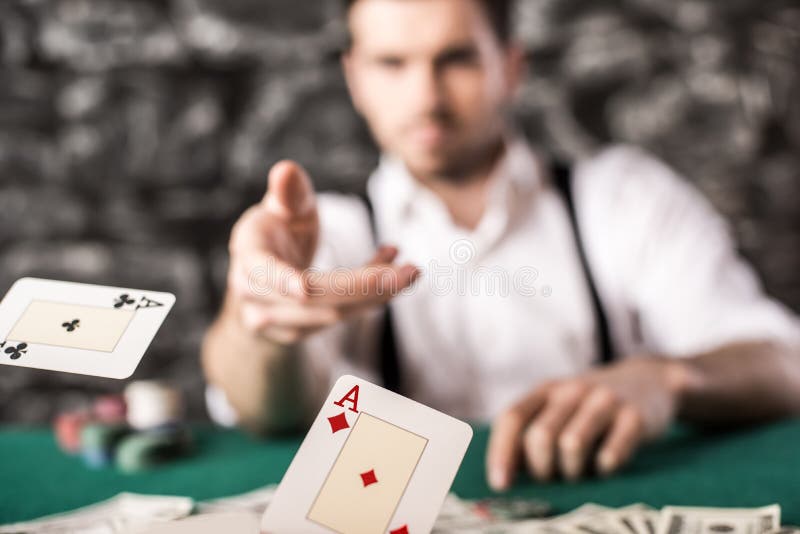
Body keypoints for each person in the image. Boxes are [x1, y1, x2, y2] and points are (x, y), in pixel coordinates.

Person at [202, 0, 800, 489]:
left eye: (455, 59)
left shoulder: (625, 200)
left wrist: (669, 378)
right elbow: (266, 408)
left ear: (511, 67)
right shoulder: (332, 232)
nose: (426, 97)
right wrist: (259, 318)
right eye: (392, 63)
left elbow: (785, 364)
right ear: (355, 78)